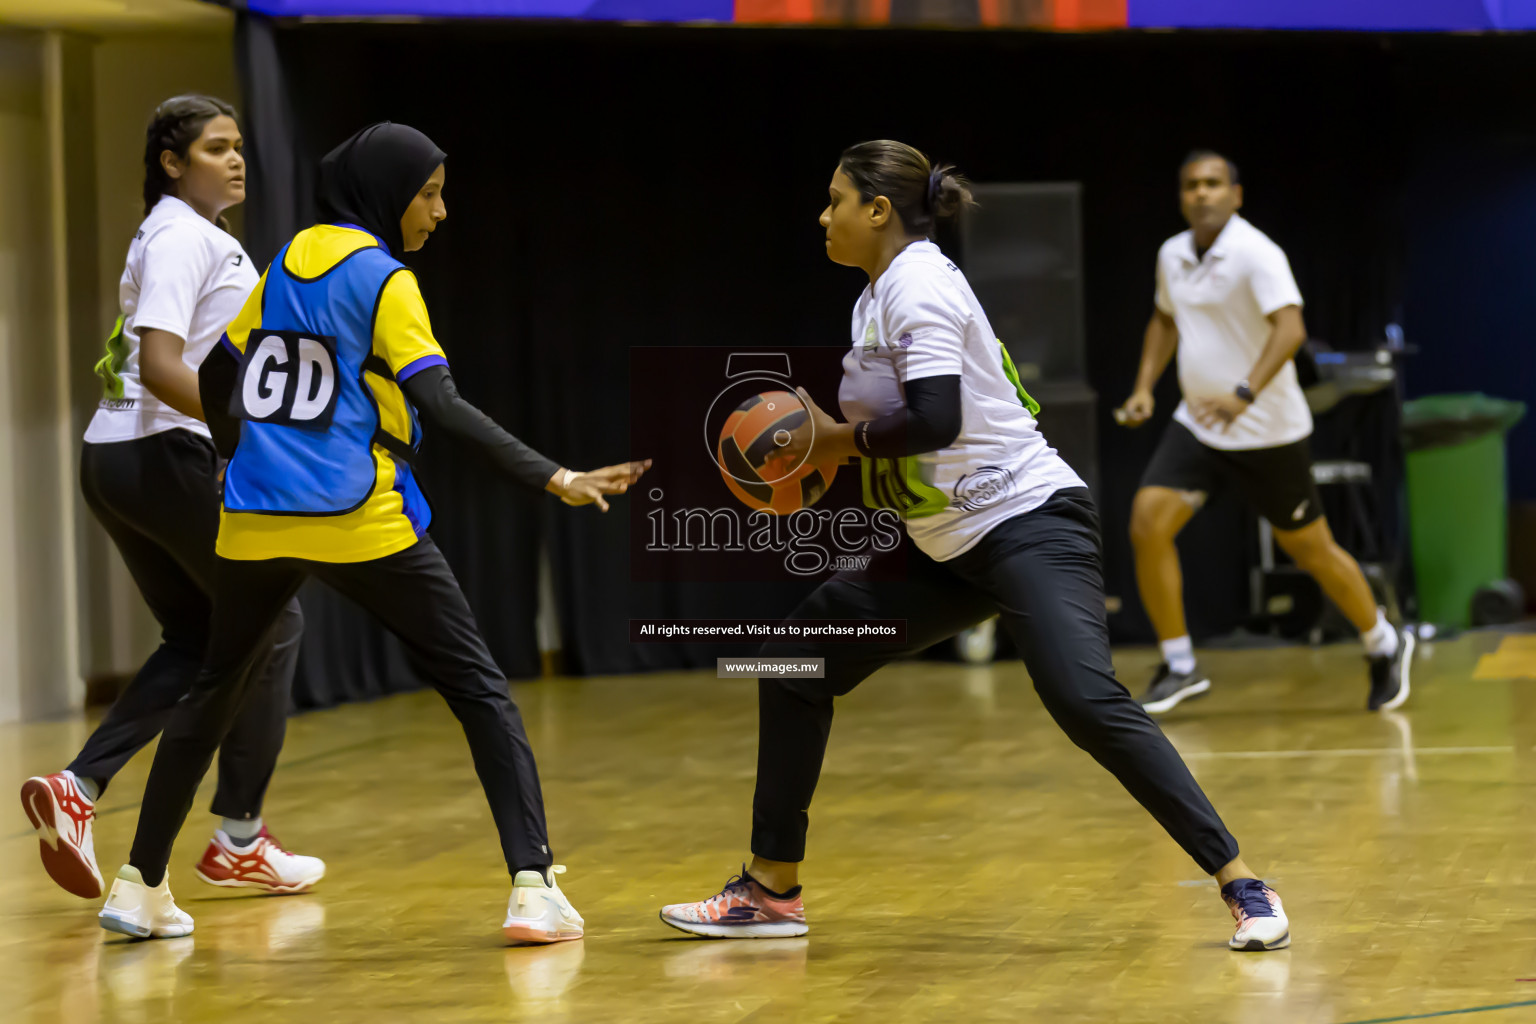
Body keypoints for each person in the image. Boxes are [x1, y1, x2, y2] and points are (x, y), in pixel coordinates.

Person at [659, 140, 1290, 952]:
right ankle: (770, 892)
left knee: (1083, 699)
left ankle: (1243, 881)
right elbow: (903, 440)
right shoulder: (877, 294)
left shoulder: (917, 284)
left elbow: (934, 420)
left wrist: (831, 442)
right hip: (944, 545)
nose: (822, 216)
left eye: (834, 200)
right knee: (794, 664)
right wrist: (812, 462)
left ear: (878, 210)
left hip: (1029, 522)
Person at [96, 122, 649, 943]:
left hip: (256, 516)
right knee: (480, 689)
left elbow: (218, 372)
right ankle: (534, 888)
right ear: (389, 193)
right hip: (356, 517)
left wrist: (243, 453)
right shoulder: (385, 279)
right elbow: (442, 404)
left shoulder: (282, 262)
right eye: (429, 193)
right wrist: (553, 475)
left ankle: (138, 887)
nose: (440, 211)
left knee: (214, 687)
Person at [21, 95, 323, 904]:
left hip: (119, 459)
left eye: (239, 147)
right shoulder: (183, 236)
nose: (235, 159)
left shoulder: (186, 235)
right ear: (170, 162)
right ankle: (238, 837)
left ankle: (80, 789)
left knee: (197, 635)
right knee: (275, 618)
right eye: (215, 147)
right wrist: (245, 440)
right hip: (159, 454)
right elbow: (158, 365)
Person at [1118, 150, 1413, 715]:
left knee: (1310, 549)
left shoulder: (1257, 253)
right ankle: (1180, 665)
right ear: (1181, 196)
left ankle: (1381, 640)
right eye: (1190, 185)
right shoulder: (1172, 254)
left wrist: (1244, 392)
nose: (1201, 193)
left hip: (1267, 431)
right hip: (1200, 423)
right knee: (1147, 521)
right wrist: (1144, 387)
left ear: (1236, 194)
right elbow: (1164, 319)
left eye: (1212, 184)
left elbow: (1291, 329)